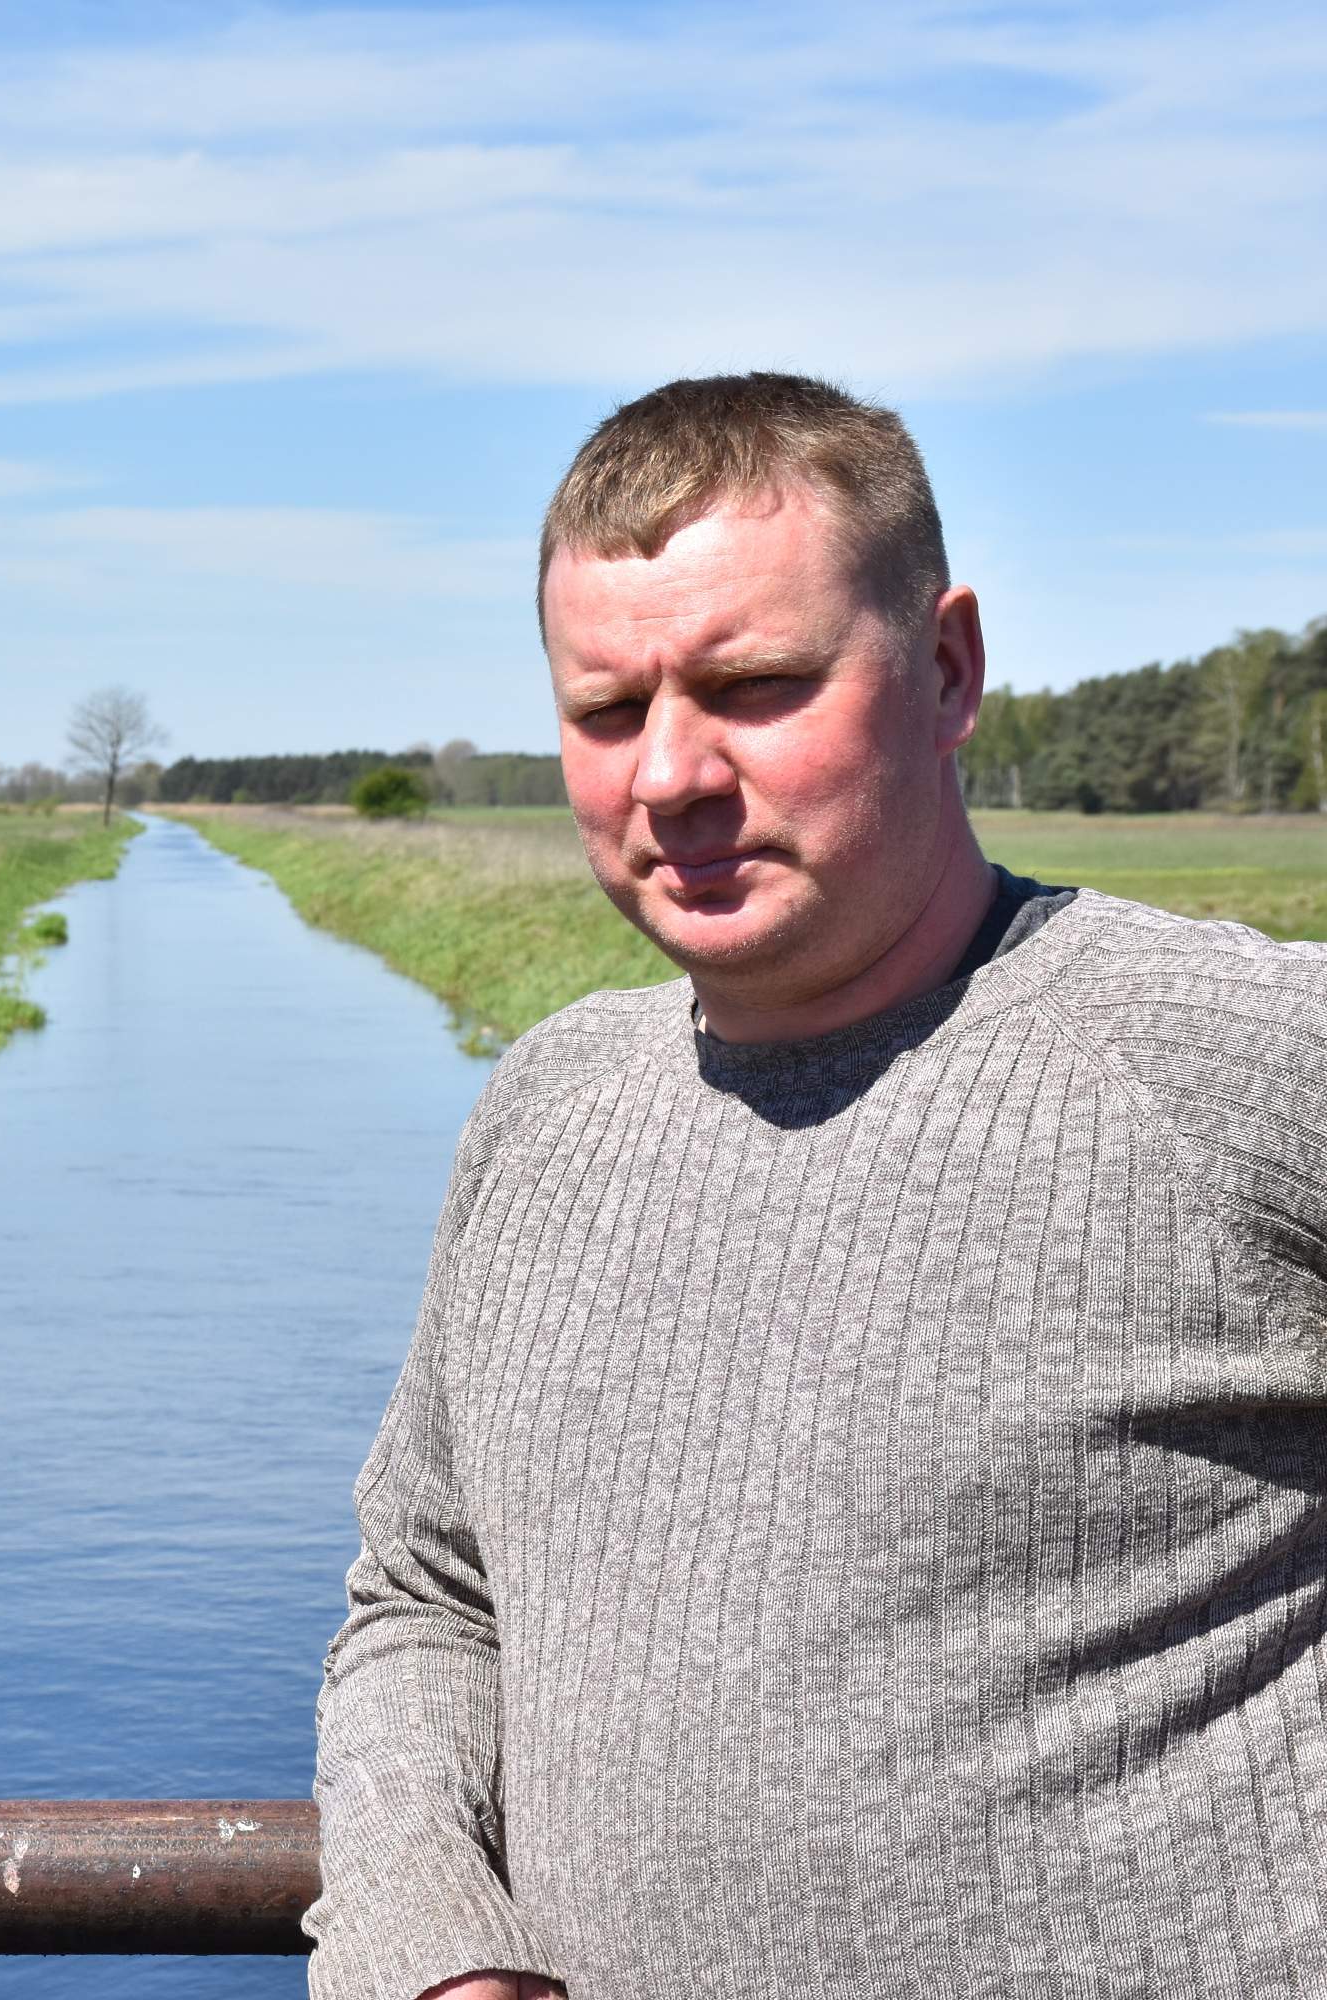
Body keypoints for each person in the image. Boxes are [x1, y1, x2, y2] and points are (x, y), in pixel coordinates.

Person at [304, 376, 1327, 1997]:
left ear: (946, 671)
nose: (671, 775)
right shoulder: (547, 1110)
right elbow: (429, 1601)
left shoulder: (1232, 1062)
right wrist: (428, 1946)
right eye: (604, 710)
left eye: (758, 685)